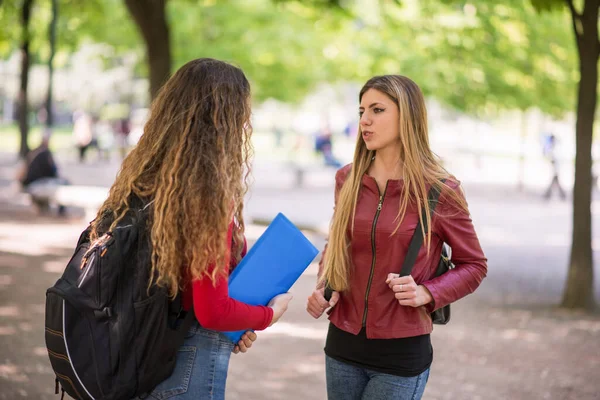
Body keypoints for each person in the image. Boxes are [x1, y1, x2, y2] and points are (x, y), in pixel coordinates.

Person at [88, 58, 293, 400]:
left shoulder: (144, 180)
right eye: (242, 113)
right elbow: (211, 310)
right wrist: (268, 314)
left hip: (136, 347)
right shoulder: (208, 196)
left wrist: (239, 322)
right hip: (185, 358)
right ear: (224, 119)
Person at [306, 75, 487, 400]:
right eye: (362, 110)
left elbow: (474, 265)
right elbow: (336, 245)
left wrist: (428, 293)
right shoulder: (347, 178)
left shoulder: (440, 191)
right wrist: (323, 286)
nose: (365, 120)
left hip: (401, 351)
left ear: (407, 116)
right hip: (342, 343)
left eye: (377, 110)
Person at [16, 129, 69, 215]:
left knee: (57, 183)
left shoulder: (33, 151)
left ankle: (44, 205)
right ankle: (61, 210)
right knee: (63, 183)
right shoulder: (45, 153)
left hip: (28, 182)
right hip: (35, 182)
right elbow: (53, 172)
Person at [542, 133, 567, 200]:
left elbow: (554, 159)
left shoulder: (555, 148)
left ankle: (549, 194)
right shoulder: (554, 147)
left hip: (556, 169)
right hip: (555, 169)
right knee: (555, 182)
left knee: (555, 182)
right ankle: (559, 195)